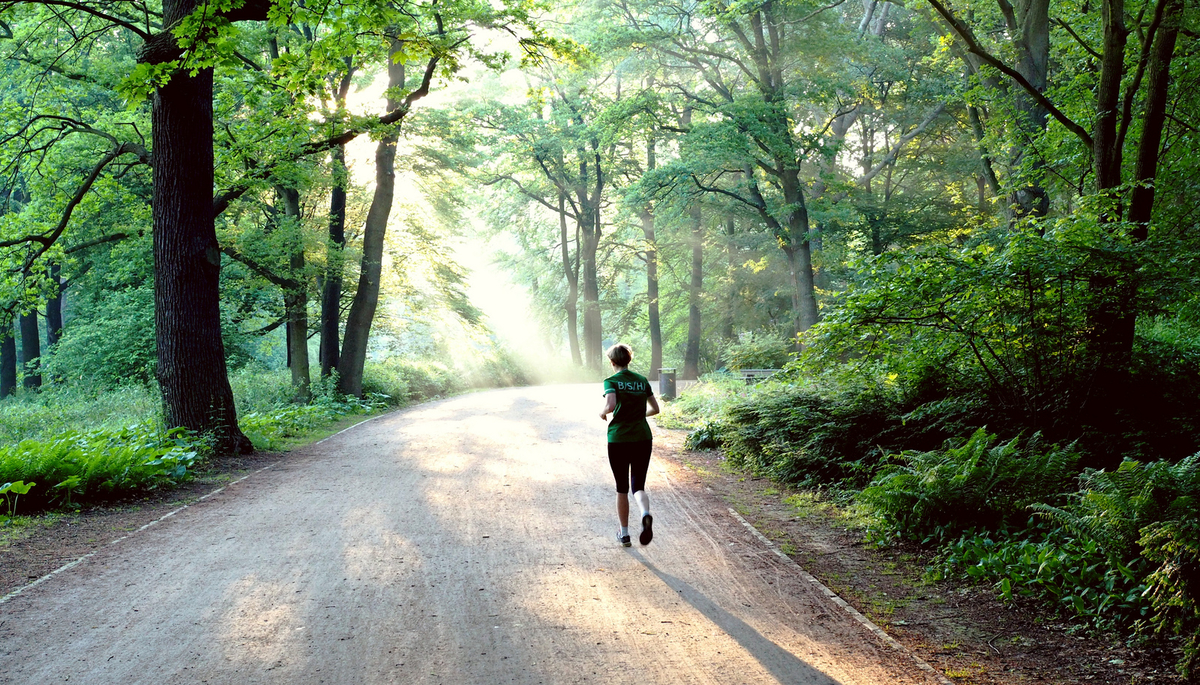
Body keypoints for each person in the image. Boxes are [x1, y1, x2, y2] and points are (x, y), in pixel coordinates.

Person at [599, 343, 660, 547]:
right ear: (629, 360)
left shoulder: (611, 381)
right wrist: (637, 415)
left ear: (612, 362)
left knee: (621, 488)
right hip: (643, 437)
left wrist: (601, 413)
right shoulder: (642, 381)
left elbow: (611, 405)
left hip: (619, 439)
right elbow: (655, 409)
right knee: (638, 486)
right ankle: (645, 514)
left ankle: (624, 534)